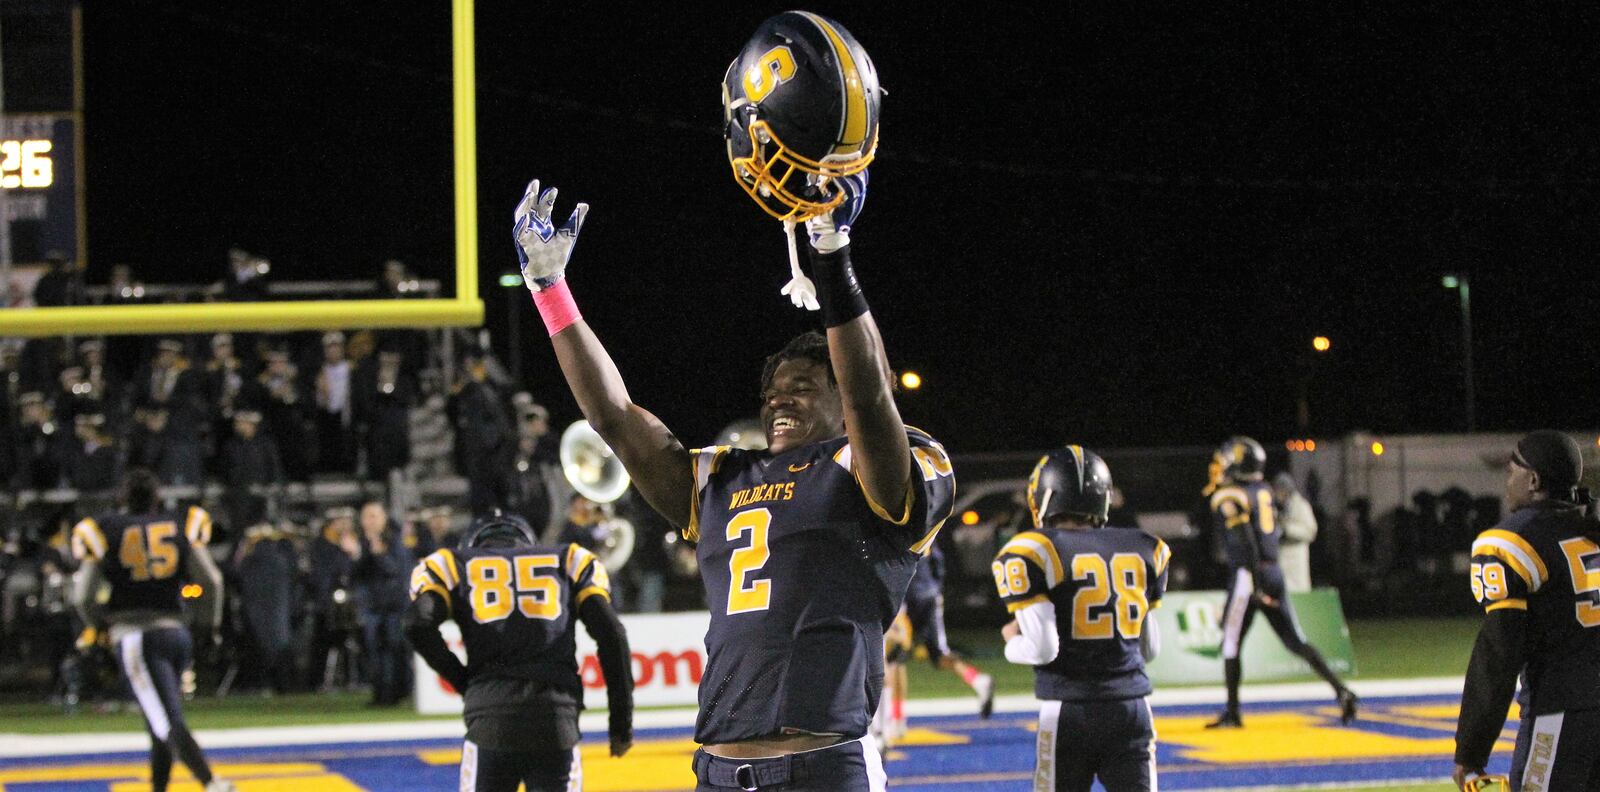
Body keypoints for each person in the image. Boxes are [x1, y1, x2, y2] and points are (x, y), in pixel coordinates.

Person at [405, 512, 634, 791]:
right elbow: (612, 635)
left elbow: (417, 625)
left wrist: (465, 682)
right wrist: (621, 724)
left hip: (490, 718)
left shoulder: (451, 563)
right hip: (555, 716)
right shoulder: (571, 559)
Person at [994, 447, 1169, 791]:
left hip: (1069, 708)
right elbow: (1149, 649)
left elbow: (1043, 649)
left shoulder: (1035, 549)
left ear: (1045, 497)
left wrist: (1011, 642)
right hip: (1132, 707)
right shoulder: (1142, 547)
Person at [68, 469, 236, 792]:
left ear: (122, 499)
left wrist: (98, 628)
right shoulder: (179, 524)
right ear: (158, 498)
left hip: (136, 635)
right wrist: (208, 627)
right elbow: (211, 581)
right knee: (157, 724)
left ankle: (213, 783)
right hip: (176, 634)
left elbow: (84, 596)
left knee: (166, 723)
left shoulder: (104, 530)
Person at [1454, 431, 1600, 792]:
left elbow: (1499, 654)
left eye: (1512, 471)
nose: (1508, 481)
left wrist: (1471, 748)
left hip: (1560, 712)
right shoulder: (1590, 528)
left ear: (1533, 481)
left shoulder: (1510, 541)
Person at [1204, 436, 1357, 728]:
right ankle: (1342, 691)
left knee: (1230, 642)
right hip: (1274, 571)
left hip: (1249, 576)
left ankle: (1233, 713)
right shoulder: (1263, 491)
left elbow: (1247, 542)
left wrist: (1255, 586)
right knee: (1295, 640)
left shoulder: (1229, 496)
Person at [902, 539, 995, 728]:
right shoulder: (926, 527)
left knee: (892, 656)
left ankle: (891, 721)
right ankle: (978, 681)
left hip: (905, 597)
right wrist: (937, 587)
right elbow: (938, 560)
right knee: (935, 655)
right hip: (926, 593)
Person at [352, 500, 414, 706]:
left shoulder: (396, 540)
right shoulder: (362, 542)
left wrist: (379, 555)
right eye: (365, 516)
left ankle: (396, 693)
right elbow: (357, 575)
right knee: (374, 651)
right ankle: (380, 693)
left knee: (393, 649)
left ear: (384, 518)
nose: (369, 521)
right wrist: (355, 557)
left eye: (374, 516)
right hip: (372, 606)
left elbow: (397, 571)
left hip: (394, 606)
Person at [1272, 472, 1319, 593]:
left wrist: (1287, 531)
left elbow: (1310, 531)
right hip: (1280, 560)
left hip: (1296, 561)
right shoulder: (1273, 507)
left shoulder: (1301, 506)